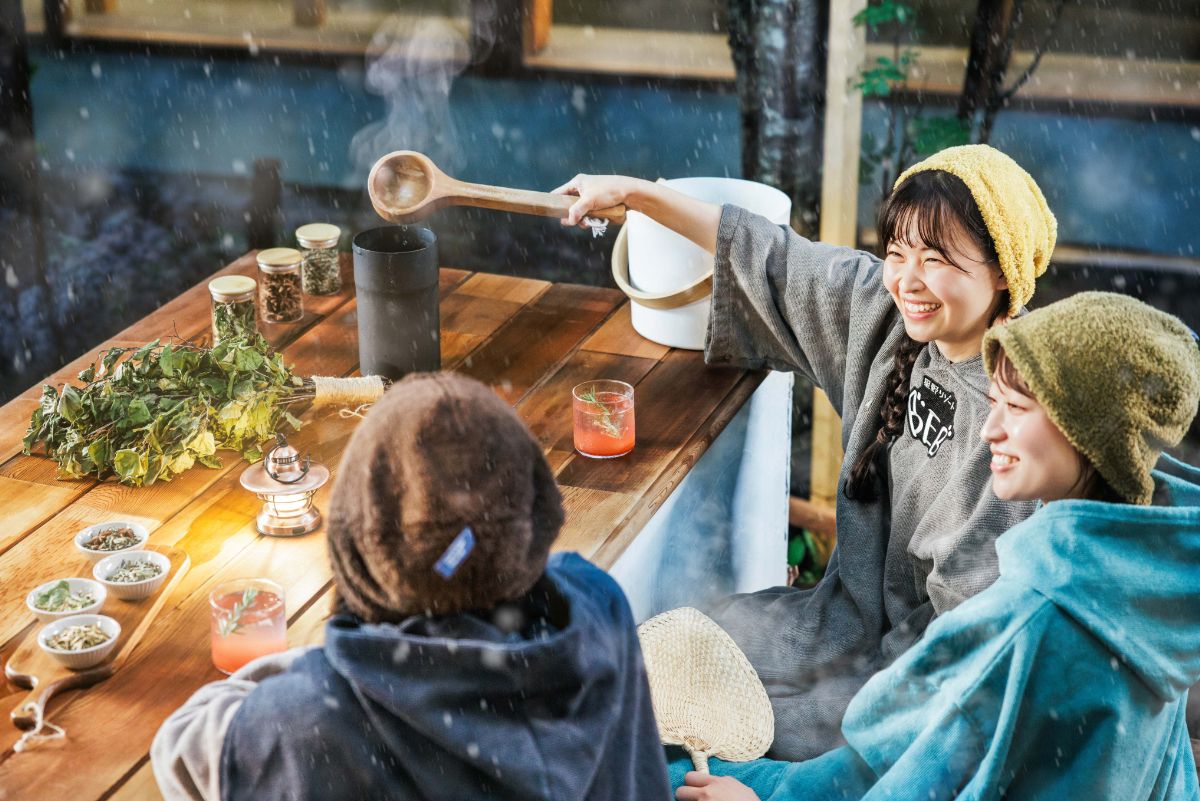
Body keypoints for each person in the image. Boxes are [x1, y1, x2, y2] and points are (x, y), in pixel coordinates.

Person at [556, 144, 1057, 759]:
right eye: (898, 253)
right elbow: (769, 255)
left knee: (690, 745)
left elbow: (966, 644)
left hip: (912, 679)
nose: (909, 279)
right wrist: (636, 193)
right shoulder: (887, 312)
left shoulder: (1014, 421)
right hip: (834, 619)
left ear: (1003, 270)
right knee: (649, 665)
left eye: (937, 258)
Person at [671, 291, 1200, 800]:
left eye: (1016, 408)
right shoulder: (1151, 572)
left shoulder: (1030, 623)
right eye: (993, 402)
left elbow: (903, 774)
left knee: (667, 763)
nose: (991, 429)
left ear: (1091, 434)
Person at [151, 372, 671, 801]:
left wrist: (339, 657)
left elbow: (179, 745)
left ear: (353, 544)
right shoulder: (597, 606)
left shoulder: (302, 719)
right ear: (540, 510)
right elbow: (518, 564)